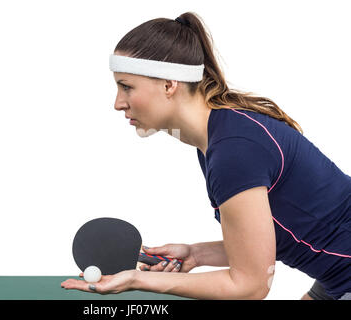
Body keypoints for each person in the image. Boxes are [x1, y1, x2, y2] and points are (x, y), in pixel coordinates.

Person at [61, 12, 350, 300]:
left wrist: (140, 279)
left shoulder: (233, 151)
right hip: (337, 272)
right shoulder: (221, 136)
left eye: (127, 86)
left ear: (168, 84)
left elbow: (250, 286)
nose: (117, 103)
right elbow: (263, 242)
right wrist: (195, 254)